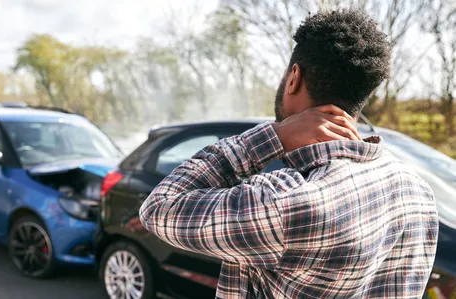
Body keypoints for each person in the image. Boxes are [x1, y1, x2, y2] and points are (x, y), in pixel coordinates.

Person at [140, 9, 438, 299]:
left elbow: (159, 208)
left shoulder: (284, 202)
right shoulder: (416, 191)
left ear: (294, 77)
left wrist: (273, 136)